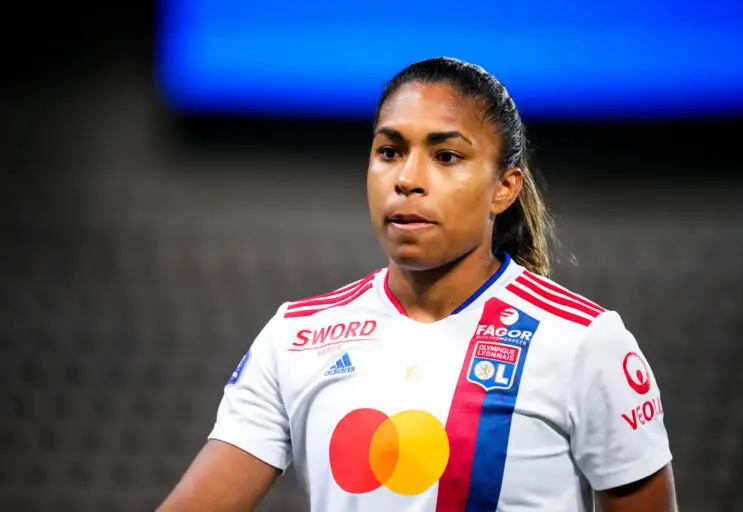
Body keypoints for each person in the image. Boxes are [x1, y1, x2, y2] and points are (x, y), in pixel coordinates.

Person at [158, 57, 677, 511]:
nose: (407, 178)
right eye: (389, 151)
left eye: (446, 156)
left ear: (504, 188)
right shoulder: (294, 336)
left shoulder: (584, 341)